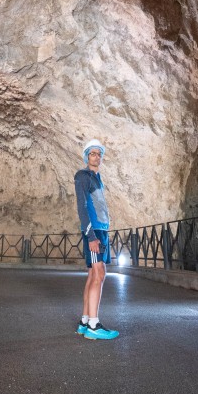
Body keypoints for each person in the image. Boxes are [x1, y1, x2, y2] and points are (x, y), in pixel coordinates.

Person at [73, 139, 119, 340]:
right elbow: (82, 207)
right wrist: (91, 235)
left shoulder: (97, 178)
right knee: (99, 274)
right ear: (86, 156)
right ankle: (93, 324)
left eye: (99, 154)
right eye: (92, 153)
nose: (96, 157)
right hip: (94, 232)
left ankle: (84, 321)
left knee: (94, 275)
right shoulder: (82, 176)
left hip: (101, 231)